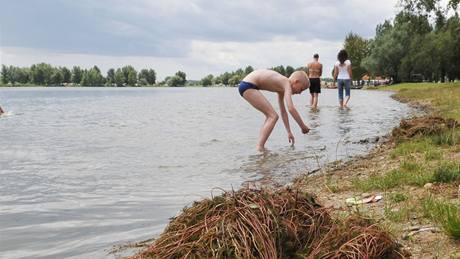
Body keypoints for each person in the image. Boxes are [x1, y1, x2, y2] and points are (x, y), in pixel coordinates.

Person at [238, 69, 311, 151]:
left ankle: (260, 147)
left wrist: (289, 132)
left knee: (271, 116)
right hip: (248, 85)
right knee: (273, 116)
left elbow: (283, 111)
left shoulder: (282, 88)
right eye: (301, 89)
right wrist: (302, 126)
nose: (300, 93)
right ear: (296, 82)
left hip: (247, 85)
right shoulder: (286, 83)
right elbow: (291, 108)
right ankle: (260, 147)